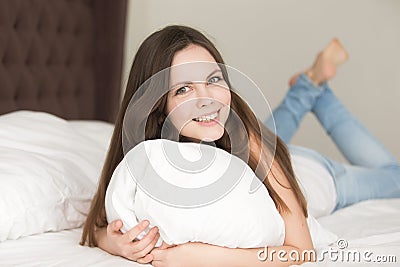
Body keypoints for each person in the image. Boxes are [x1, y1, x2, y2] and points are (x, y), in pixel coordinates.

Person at [80, 25, 400, 266]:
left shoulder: (247, 136)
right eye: (183, 89)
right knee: (268, 133)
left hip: (319, 175)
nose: (205, 98)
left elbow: (301, 251)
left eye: (214, 80)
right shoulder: (147, 158)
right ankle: (308, 85)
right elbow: (96, 225)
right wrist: (114, 242)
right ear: (156, 105)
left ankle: (317, 92)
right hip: (261, 151)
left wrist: (201, 256)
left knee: (394, 175)